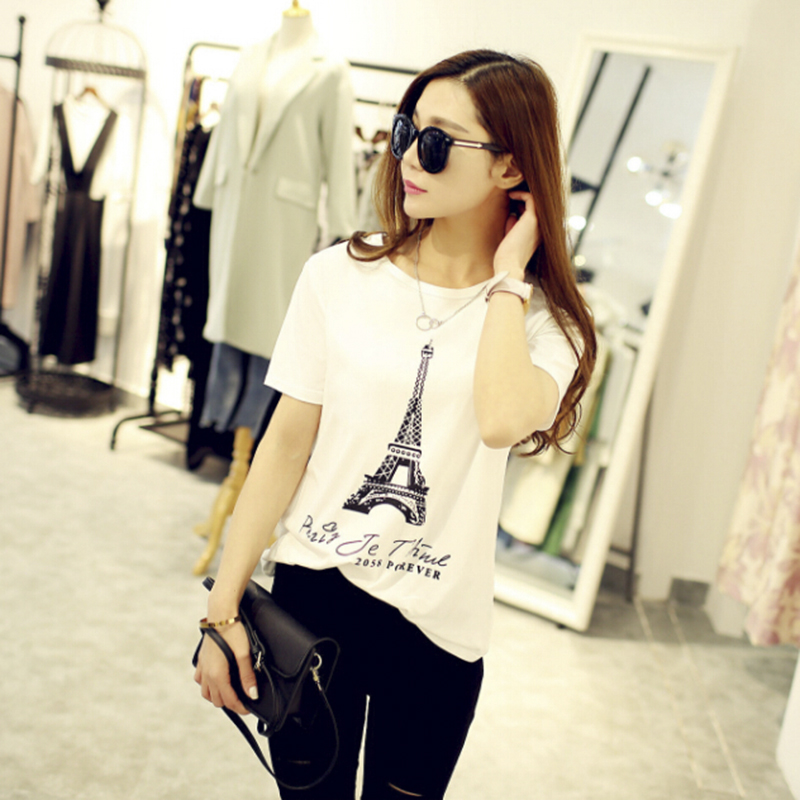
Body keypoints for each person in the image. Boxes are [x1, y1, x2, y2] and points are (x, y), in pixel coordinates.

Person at [194, 49, 597, 799]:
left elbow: (502, 419)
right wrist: (222, 613)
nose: (408, 155)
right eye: (407, 131)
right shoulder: (336, 276)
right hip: (313, 605)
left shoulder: (550, 325)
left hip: (437, 633)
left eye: (437, 142)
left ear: (511, 166)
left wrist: (508, 281)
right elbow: (284, 449)